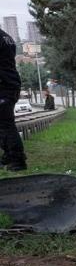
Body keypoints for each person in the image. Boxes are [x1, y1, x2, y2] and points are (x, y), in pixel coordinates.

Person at [0, 28, 26, 171]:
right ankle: (9, 155)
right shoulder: (6, 37)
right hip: (10, 83)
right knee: (4, 124)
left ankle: (17, 159)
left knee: (5, 125)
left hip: (4, 86)